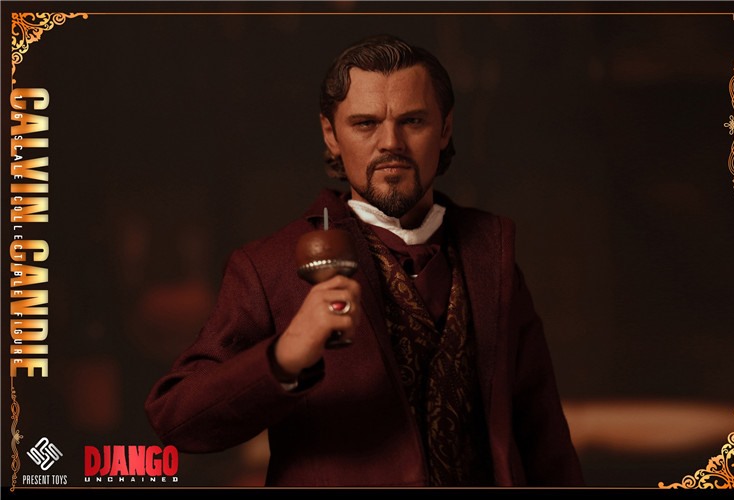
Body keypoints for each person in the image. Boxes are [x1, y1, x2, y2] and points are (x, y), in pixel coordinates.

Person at [144, 34, 584, 488]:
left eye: (413, 120)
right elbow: (176, 418)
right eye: (365, 124)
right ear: (331, 135)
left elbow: (545, 438)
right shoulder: (269, 266)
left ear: (445, 128)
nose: (390, 143)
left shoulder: (491, 255)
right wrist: (284, 356)